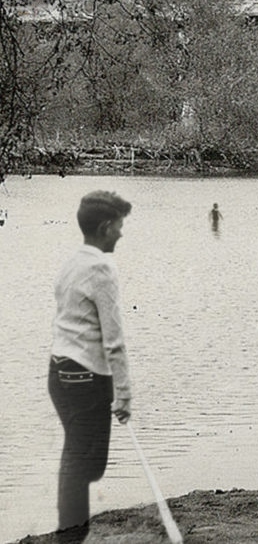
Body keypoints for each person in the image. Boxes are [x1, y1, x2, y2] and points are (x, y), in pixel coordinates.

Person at [48, 191, 133, 542]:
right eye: (119, 226)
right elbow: (114, 339)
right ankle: (70, 537)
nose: (121, 233)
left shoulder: (71, 262)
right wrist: (124, 393)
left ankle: (69, 532)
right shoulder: (102, 268)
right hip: (84, 376)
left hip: (59, 374)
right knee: (81, 461)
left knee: (85, 461)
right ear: (104, 227)